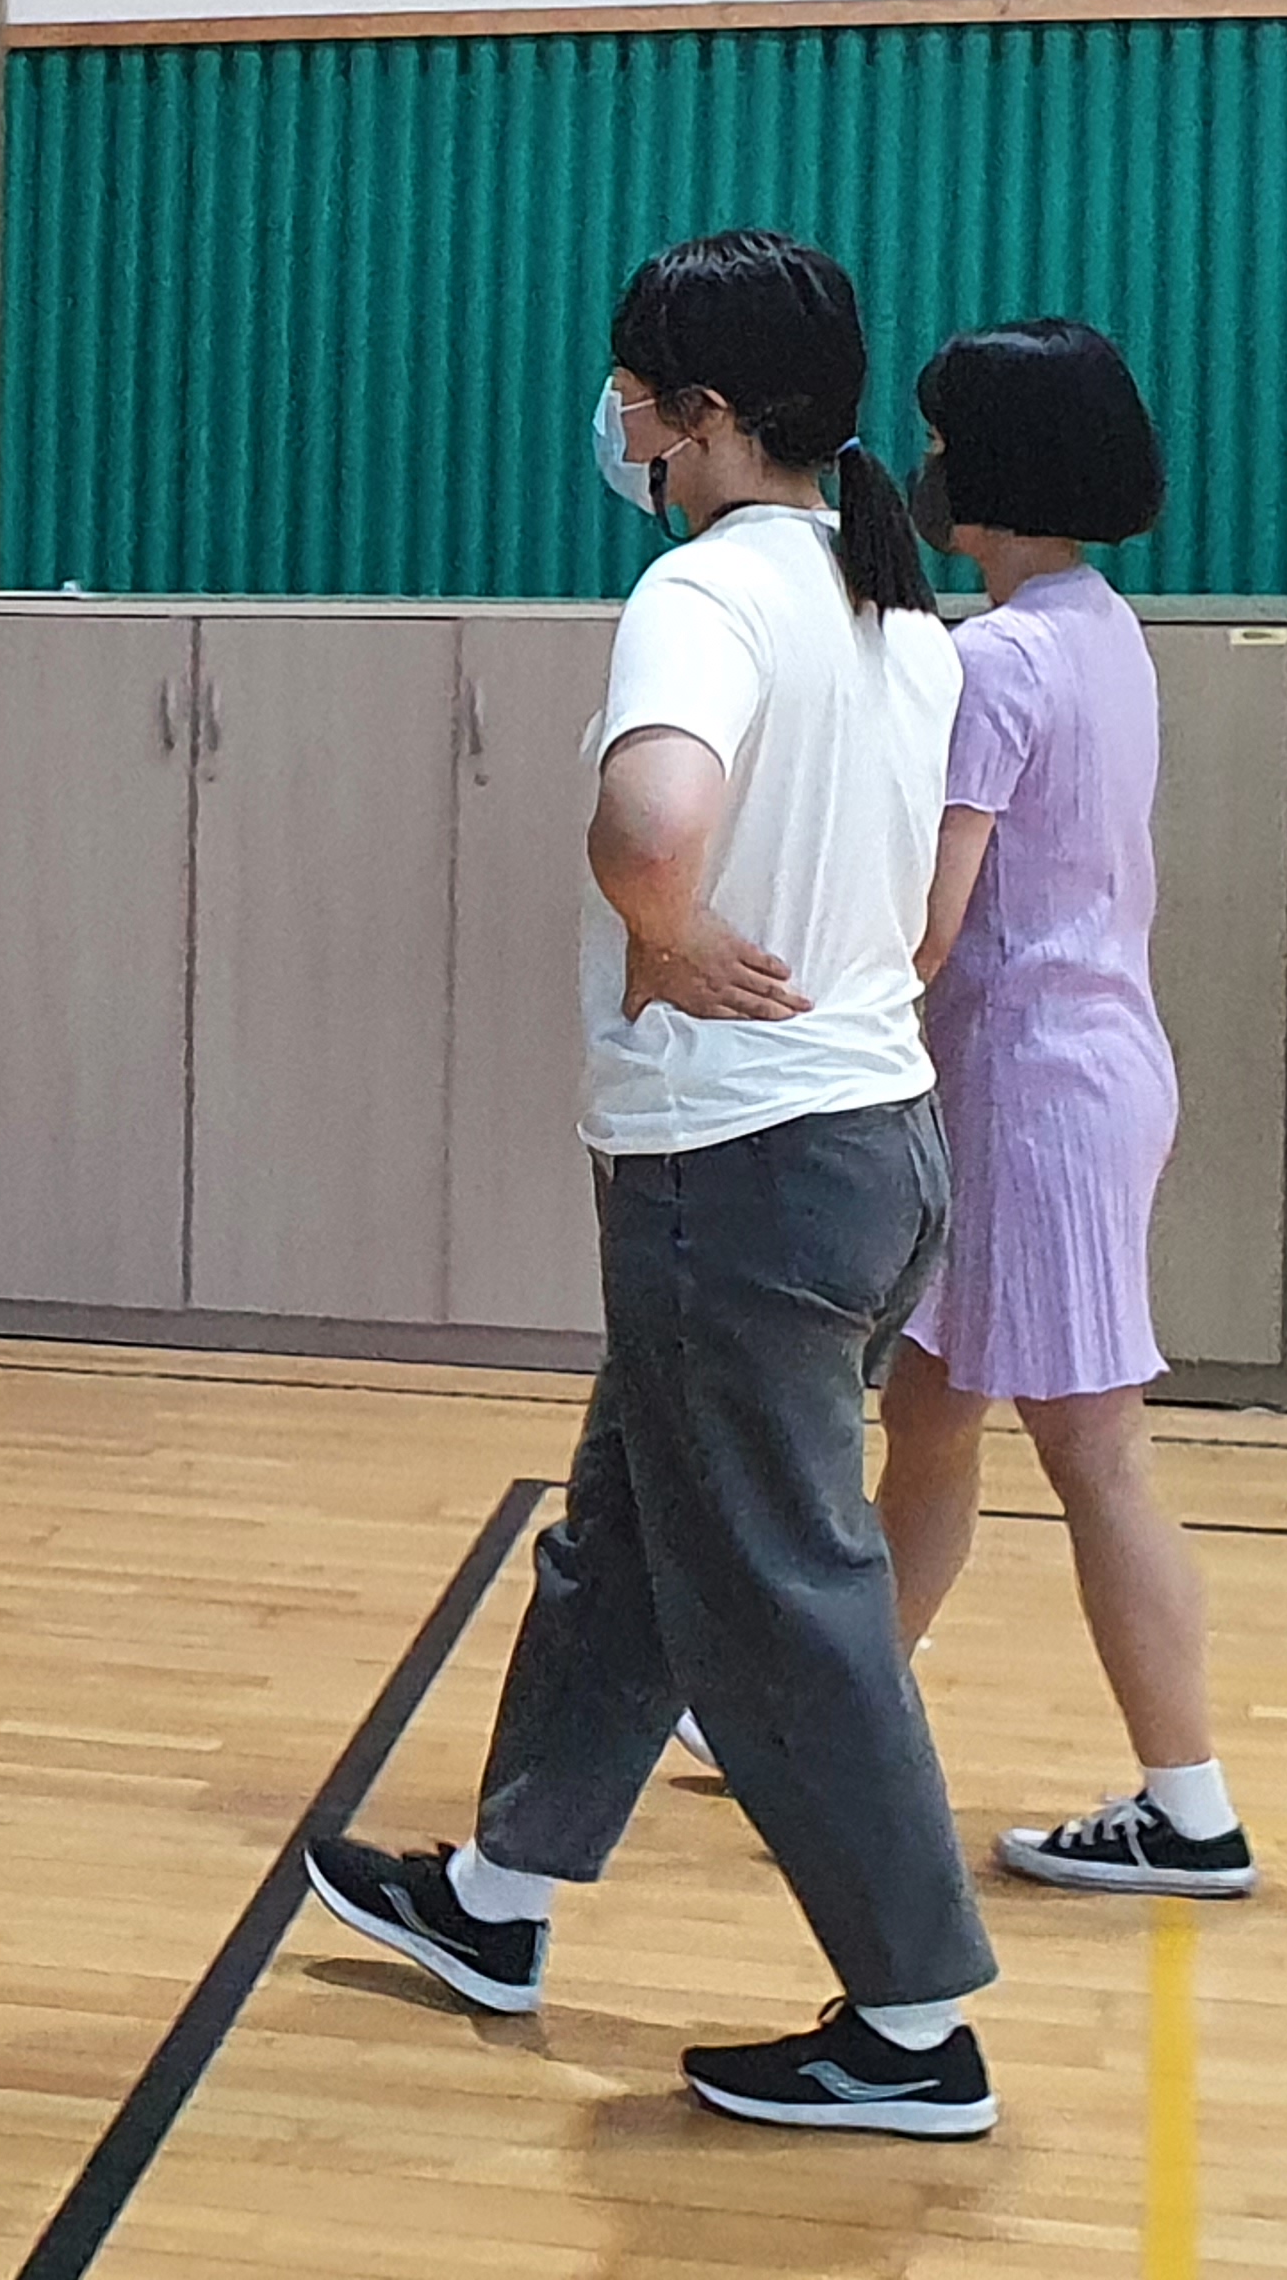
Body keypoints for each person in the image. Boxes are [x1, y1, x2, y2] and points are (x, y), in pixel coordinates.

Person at [307, 229, 1001, 2138]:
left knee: (783, 1595)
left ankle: (913, 2024)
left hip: (740, 1171)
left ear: (698, 416)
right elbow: (920, 908)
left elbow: (652, 818)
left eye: (635, 395)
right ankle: (499, 1893)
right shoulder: (897, 608)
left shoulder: (706, 590)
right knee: (628, 1534)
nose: (618, 424)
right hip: (870, 1148)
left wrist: (668, 930)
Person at [874, 322, 1253, 1896]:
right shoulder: (1094, 627)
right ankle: (825, 1707)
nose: (923, 466)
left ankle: (1191, 1809)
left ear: (994, 463)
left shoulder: (1000, 661)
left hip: (1035, 1095)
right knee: (928, 1416)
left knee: (1093, 1453)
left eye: (940, 439)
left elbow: (931, 923)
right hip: (1066, 1075)